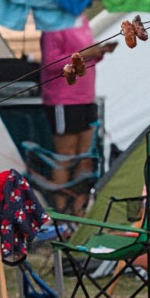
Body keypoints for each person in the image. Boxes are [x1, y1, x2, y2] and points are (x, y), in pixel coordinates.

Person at [38, 14, 116, 215]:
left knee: (85, 156)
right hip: (63, 99)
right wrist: (84, 53)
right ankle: (60, 210)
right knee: (65, 155)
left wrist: (98, 52)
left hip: (86, 97)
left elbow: (84, 57)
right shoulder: (52, 24)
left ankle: (79, 209)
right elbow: (51, 63)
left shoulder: (82, 21)